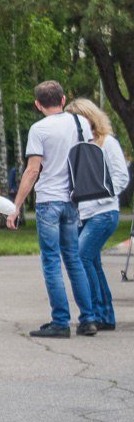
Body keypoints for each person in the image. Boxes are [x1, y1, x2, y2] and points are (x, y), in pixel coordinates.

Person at [6, 81, 98, 338]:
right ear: (64, 99)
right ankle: (88, 319)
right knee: (73, 259)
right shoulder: (80, 123)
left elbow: (33, 169)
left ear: (37, 104)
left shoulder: (39, 129)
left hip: (48, 201)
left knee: (51, 262)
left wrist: (16, 207)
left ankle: (60, 321)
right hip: (73, 200)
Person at [64, 98, 129, 330]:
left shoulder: (107, 143)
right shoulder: (77, 145)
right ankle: (105, 316)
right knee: (92, 262)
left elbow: (121, 178)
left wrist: (99, 197)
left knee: (81, 257)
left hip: (103, 212)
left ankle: (96, 313)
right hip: (82, 214)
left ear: (90, 118)